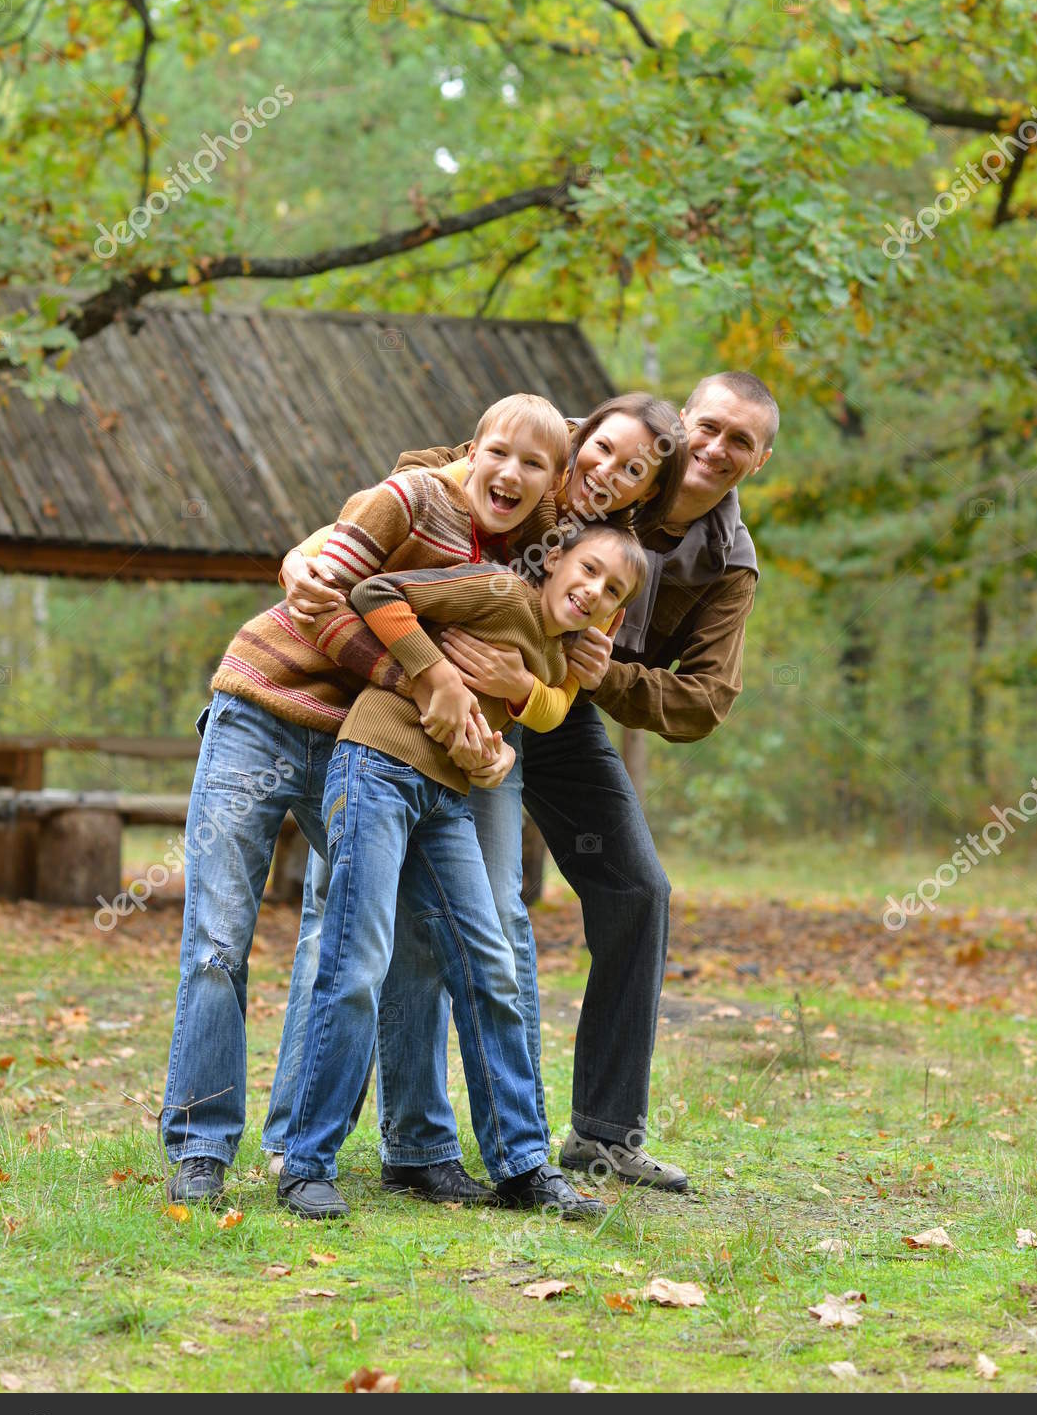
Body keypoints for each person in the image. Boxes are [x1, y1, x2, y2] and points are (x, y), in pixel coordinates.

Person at [341, 372, 778, 1195]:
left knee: (637, 888)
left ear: (757, 463)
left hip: (563, 704)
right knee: (466, 907)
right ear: (682, 423)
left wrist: (602, 676)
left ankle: (603, 1133)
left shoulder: (728, 563)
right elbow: (435, 467)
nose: (717, 449)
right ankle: (415, 1137)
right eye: (710, 428)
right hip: (471, 674)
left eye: (740, 443)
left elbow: (705, 700)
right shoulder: (589, 443)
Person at [275, 393, 688, 1198]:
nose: (610, 473)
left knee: (491, 947)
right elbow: (377, 563)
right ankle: (308, 1155)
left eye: (634, 470)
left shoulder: (597, 583)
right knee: (354, 946)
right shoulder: (498, 549)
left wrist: (519, 690)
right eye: (602, 451)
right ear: (577, 446)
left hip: (460, 782)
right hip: (381, 756)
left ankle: (516, 1164)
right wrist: (424, 667)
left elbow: (561, 697)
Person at [162, 393, 571, 1205]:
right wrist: (424, 677)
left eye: (534, 465)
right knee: (218, 937)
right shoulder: (407, 500)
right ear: (473, 449)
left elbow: (528, 677)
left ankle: (385, 1148)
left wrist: (486, 736)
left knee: (395, 939)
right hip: (264, 710)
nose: (512, 474)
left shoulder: (525, 555)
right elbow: (321, 603)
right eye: (499, 453)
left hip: (360, 746)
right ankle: (201, 1146)